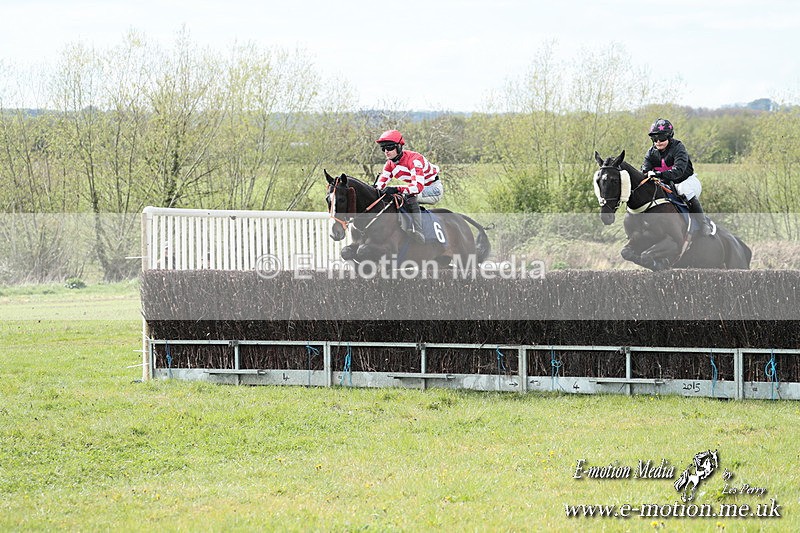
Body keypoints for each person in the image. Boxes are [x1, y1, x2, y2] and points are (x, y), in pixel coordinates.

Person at [642, 118, 714, 237]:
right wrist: (647, 173)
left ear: (669, 137)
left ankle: (703, 223)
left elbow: (678, 171)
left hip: (686, 181)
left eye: (662, 138)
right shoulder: (651, 152)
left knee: (683, 189)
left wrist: (658, 174)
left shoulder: (678, 147)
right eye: (655, 139)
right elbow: (644, 169)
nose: (658, 142)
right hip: (666, 184)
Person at [374, 129, 444, 243]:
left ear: (399, 147)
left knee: (411, 196)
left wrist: (396, 188)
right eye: (383, 148)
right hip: (419, 188)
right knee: (395, 198)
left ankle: (418, 231)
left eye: (390, 147)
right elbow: (379, 186)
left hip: (433, 189)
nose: (386, 151)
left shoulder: (414, 160)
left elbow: (417, 188)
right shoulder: (389, 165)